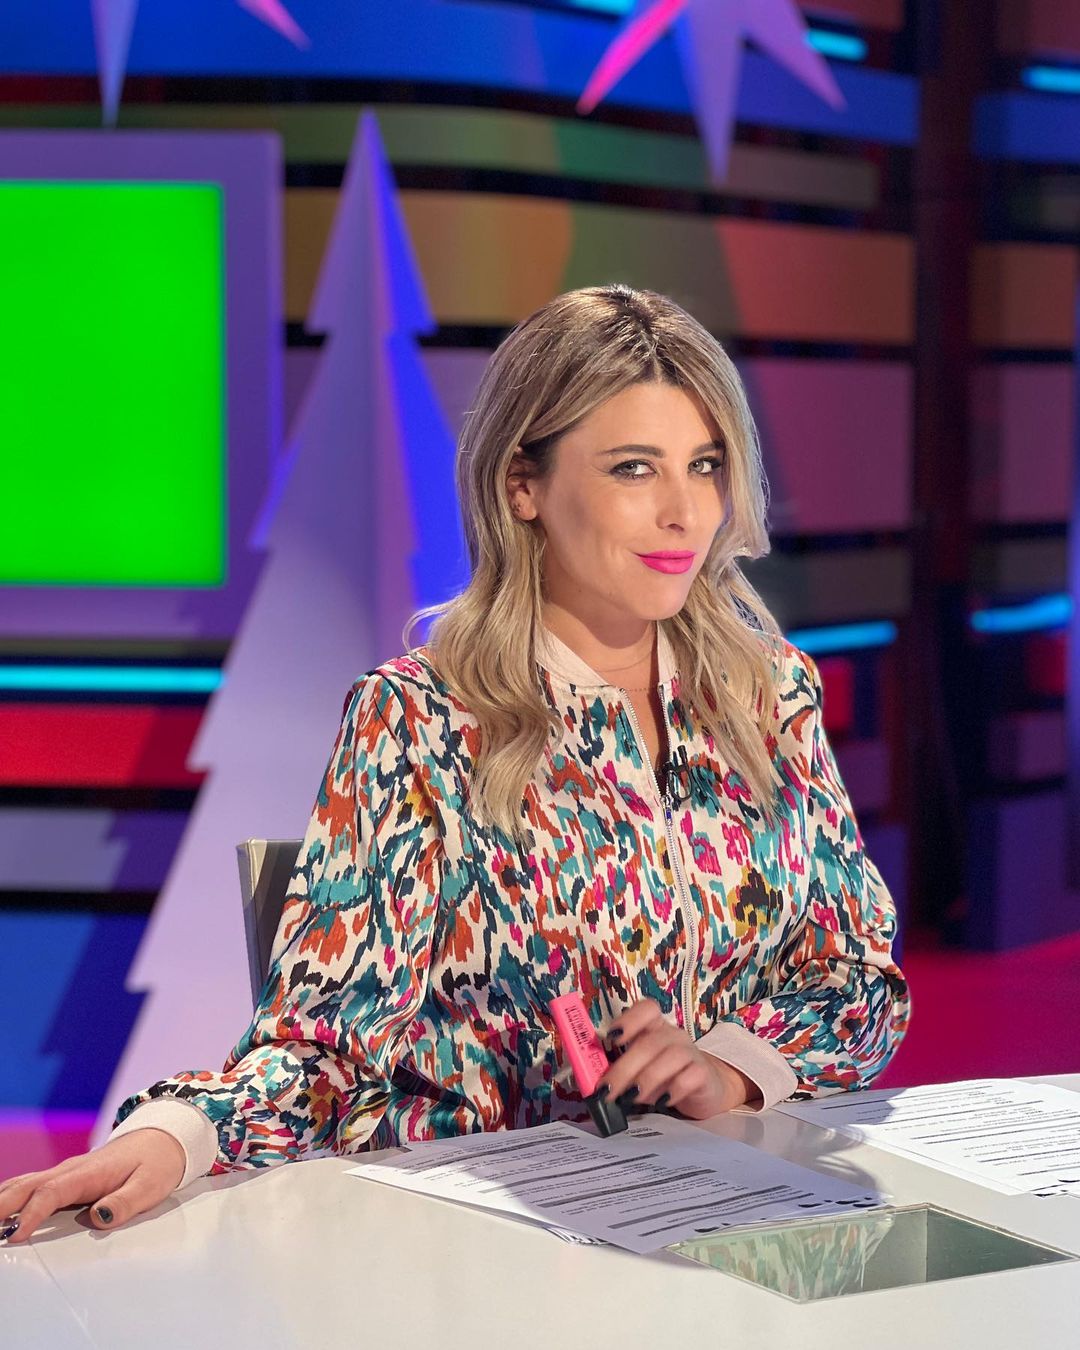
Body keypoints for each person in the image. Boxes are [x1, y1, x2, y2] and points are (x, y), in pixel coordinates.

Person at [0, 284, 910, 1245]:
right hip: (496, 1244)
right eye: (635, 469)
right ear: (523, 486)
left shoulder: (769, 692)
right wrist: (179, 1133)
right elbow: (326, 1049)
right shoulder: (419, 719)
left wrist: (727, 1069)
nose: (686, 512)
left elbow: (855, 982)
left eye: (706, 465)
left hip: (739, 1224)